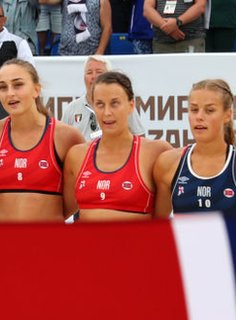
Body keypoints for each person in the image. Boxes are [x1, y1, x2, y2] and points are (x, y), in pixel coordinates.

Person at [0, 59, 85, 222]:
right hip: (1, 242)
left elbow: (79, 197)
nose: (10, 93)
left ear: (36, 90)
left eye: (18, 85)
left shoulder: (66, 136)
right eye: (2, 87)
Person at [63, 71, 172, 222]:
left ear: (131, 105)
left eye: (115, 103)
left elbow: (162, 218)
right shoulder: (77, 155)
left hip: (137, 245)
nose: (107, 113)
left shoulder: (156, 152)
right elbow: (58, 212)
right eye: (100, 104)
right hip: (87, 245)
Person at [154, 79, 236, 217]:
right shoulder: (168, 163)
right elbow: (157, 226)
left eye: (209, 110)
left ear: (227, 115)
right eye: (194, 110)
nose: (199, 117)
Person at [60, 55, 146, 142]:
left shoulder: (123, 105)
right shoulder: (71, 109)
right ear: (84, 77)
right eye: (89, 72)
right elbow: (62, 142)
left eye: (99, 72)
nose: (94, 77)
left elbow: (139, 137)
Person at [41, 0, 111, 56]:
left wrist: (99, 53)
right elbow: (43, 1)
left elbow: (107, 28)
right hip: (65, 52)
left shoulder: (101, 1)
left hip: (92, 52)